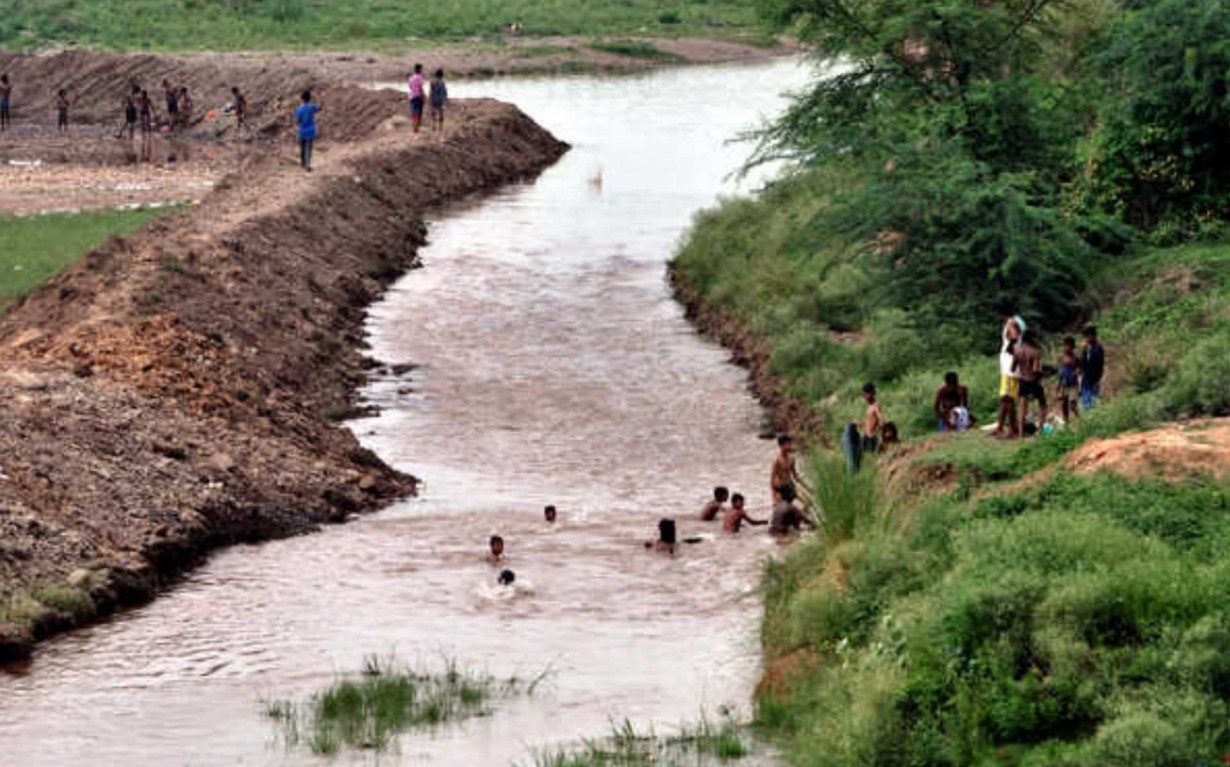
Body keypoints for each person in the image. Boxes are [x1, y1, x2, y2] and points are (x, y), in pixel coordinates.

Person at [995, 306, 1025, 437]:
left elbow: (1014, 338)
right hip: (1007, 368)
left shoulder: (1011, 323)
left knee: (1008, 398)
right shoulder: (1012, 323)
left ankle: (1013, 429)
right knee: (1005, 398)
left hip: (1010, 368)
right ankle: (1000, 427)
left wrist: (1009, 350)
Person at [1013, 330, 1048, 438]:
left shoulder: (1017, 351)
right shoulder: (1035, 352)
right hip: (1033, 381)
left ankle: (1020, 433)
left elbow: (1013, 368)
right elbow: (1036, 370)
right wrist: (1044, 374)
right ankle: (1041, 430)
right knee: (1043, 405)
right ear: (1032, 339)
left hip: (1022, 381)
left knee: (1022, 407)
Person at [770, 434, 804, 502]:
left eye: (790, 443)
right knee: (783, 509)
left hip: (790, 486)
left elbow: (795, 476)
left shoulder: (791, 459)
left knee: (806, 503)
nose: (789, 446)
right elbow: (772, 480)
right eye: (787, 444)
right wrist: (774, 497)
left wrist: (807, 487)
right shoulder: (777, 461)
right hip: (780, 488)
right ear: (781, 446)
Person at [294, 90, 321, 171]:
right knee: (308, 148)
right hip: (311, 130)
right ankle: (307, 165)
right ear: (309, 98)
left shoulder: (299, 109)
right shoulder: (312, 107)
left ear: (301, 99)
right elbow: (319, 108)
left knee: (302, 147)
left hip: (302, 130)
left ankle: (303, 163)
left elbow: (297, 120)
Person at [1080, 325, 1104, 411]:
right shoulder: (1086, 349)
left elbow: (1099, 364)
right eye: (1086, 336)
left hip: (1094, 379)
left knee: (1093, 403)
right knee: (1085, 403)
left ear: (1093, 335)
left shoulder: (1098, 348)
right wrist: (1084, 352)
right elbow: (1082, 364)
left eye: (1088, 336)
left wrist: (1097, 379)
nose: (1087, 338)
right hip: (1086, 379)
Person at [1057, 336, 1081, 423]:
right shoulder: (1062, 357)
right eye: (1064, 346)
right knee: (1064, 404)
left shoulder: (1076, 358)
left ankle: (1081, 420)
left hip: (1073, 384)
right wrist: (1058, 388)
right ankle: (1066, 423)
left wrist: (1077, 372)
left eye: (1067, 346)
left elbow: (1080, 369)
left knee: (1073, 405)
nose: (1065, 348)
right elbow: (1061, 373)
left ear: (1072, 347)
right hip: (1064, 383)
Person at [862, 382, 885, 454]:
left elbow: (882, 421)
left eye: (865, 394)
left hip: (873, 439)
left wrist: (879, 436)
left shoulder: (876, 406)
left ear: (871, 393)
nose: (864, 396)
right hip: (866, 437)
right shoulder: (869, 406)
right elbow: (870, 422)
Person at [407, 64, 425, 133]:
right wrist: (423, 96)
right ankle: (416, 128)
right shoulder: (420, 77)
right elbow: (420, 88)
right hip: (418, 96)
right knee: (419, 112)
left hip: (411, 96)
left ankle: (414, 126)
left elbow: (410, 87)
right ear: (419, 69)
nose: (422, 70)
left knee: (414, 112)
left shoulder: (411, 78)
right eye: (421, 69)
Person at [428, 68, 448, 134]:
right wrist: (445, 100)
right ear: (442, 75)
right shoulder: (443, 82)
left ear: (436, 75)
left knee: (433, 113)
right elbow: (445, 92)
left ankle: (433, 125)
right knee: (441, 114)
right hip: (441, 100)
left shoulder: (432, 82)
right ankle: (440, 127)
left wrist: (430, 99)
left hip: (434, 99)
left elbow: (431, 92)